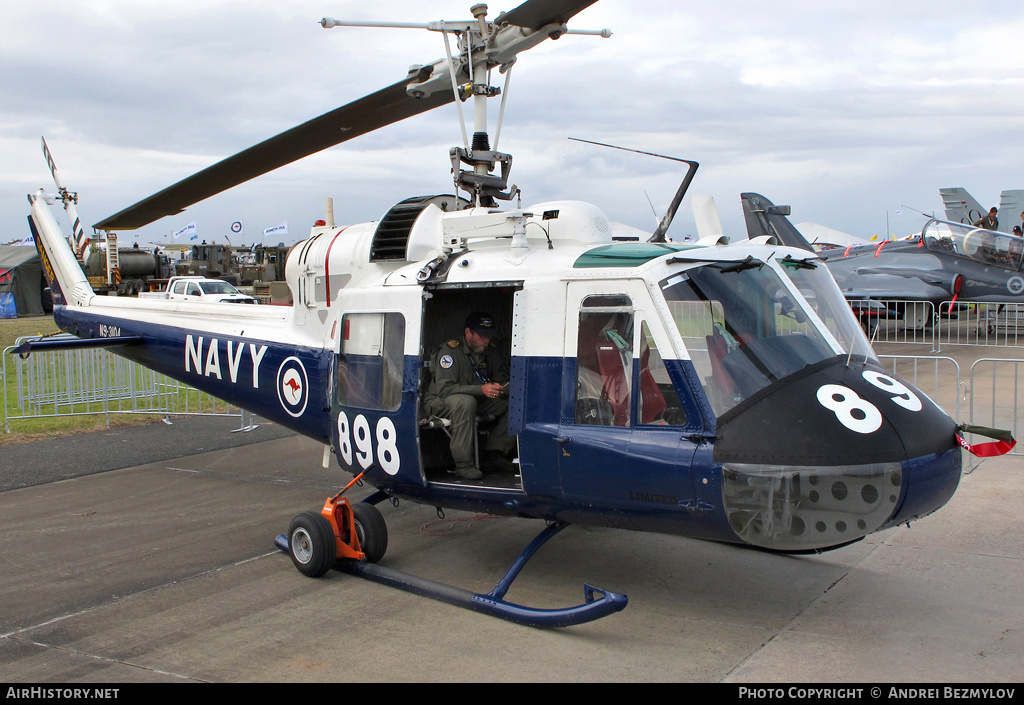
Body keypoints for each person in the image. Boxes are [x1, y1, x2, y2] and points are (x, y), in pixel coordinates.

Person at [421, 312, 516, 480]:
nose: (486, 340)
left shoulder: (490, 351)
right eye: (482, 336)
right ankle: (463, 465)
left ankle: (495, 453)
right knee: (465, 402)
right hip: (439, 401)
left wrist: (502, 388)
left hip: (475, 400)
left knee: (516, 401)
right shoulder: (449, 352)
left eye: (489, 336)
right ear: (468, 333)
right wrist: (481, 389)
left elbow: (500, 377)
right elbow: (444, 389)